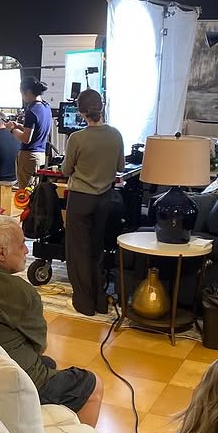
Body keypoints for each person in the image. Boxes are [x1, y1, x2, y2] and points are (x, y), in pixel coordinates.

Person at [0, 215, 103, 427]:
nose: (26, 251)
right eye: (22, 244)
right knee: (92, 384)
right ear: (2, 253)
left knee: (49, 363)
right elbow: (39, 345)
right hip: (10, 380)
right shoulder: (21, 292)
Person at [61, 89, 124, 316]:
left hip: (81, 198)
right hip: (105, 198)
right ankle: (100, 300)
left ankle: (84, 303)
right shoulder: (116, 135)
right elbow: (120, 167)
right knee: (97, 249)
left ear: (80, 112)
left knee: (78, 251)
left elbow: (66, 170)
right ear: (102, 107)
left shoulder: (77, 138)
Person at [7, 77, 52, 190]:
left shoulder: (31, 111)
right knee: (35, 192)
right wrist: (20, 126)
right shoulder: (46, 107)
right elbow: (37, 131)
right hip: (41, 155)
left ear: (27, 91)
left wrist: (12, 129)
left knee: (25, 193)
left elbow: (26, 139)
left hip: (29, 157)